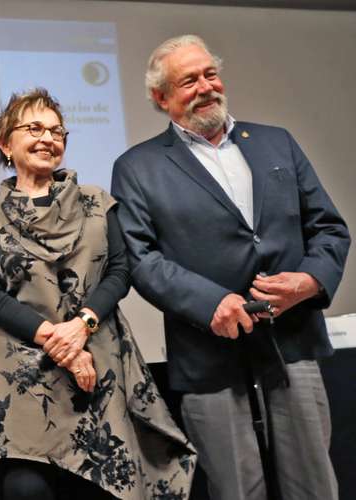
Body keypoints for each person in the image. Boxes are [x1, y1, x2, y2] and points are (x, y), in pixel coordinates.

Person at [111, 35, 350, 500]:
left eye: (210, 74)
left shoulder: (277, 142)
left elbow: (329, 228)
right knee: (236, 489)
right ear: (162, 99)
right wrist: (211, 302)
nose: (206, 86)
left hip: (292, 338)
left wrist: (311, 280)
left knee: (314, 486)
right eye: (189, 81)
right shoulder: (137, 167)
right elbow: (141, 259)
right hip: (208, 351)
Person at [0, 88, 195, 500]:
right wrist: (58, 340)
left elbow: (119, 272)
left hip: (98, 362)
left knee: (103, 486)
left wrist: (81, 328)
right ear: (4, 143)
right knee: (27, 490)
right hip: (22, 373)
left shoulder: (99, 204)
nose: (48, 138)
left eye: (57, 131)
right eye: (34, 128)